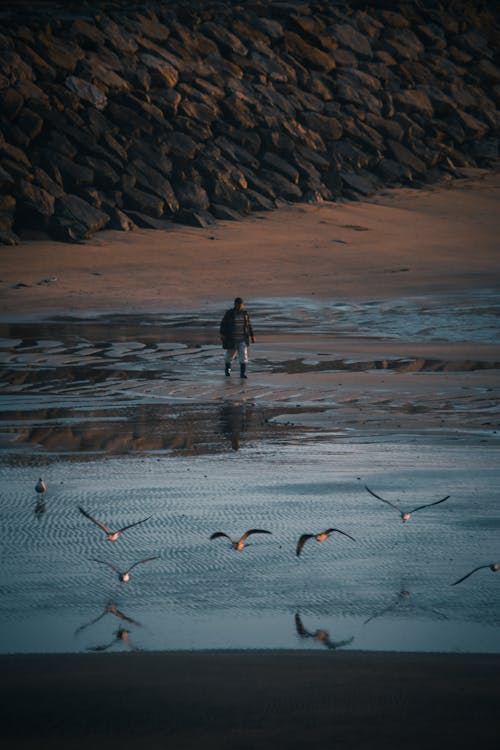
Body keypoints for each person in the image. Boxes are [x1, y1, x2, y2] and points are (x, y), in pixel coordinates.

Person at [219, 297, 255, 378]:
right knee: (229, 358)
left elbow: (248, 326)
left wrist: (251, 336)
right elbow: (223, 324)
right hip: (232, 340)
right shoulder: (229, 313)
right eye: (237, 304)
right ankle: (228, 372)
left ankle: (242, 374)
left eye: (240, 304)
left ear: (242, 305)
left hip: (242, 339)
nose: (239, 306)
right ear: (234, 304)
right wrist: (222, 334)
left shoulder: (245, 314)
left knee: (243, 357)